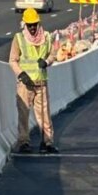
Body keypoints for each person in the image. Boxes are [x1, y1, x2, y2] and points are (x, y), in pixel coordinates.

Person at [9, 8, 58, 154]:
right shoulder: (19, 39)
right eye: (29, 25)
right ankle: (24, 142)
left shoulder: (47, 37)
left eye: (34, 24)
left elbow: (53, 55)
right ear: (25, 24)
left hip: (41, 83)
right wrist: (21, 74)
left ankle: (47, 142)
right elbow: (13, 60)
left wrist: (47, 61)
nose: (32, 28)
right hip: (25, 84)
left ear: (38, 23)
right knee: (23, 114)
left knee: (44, 114)